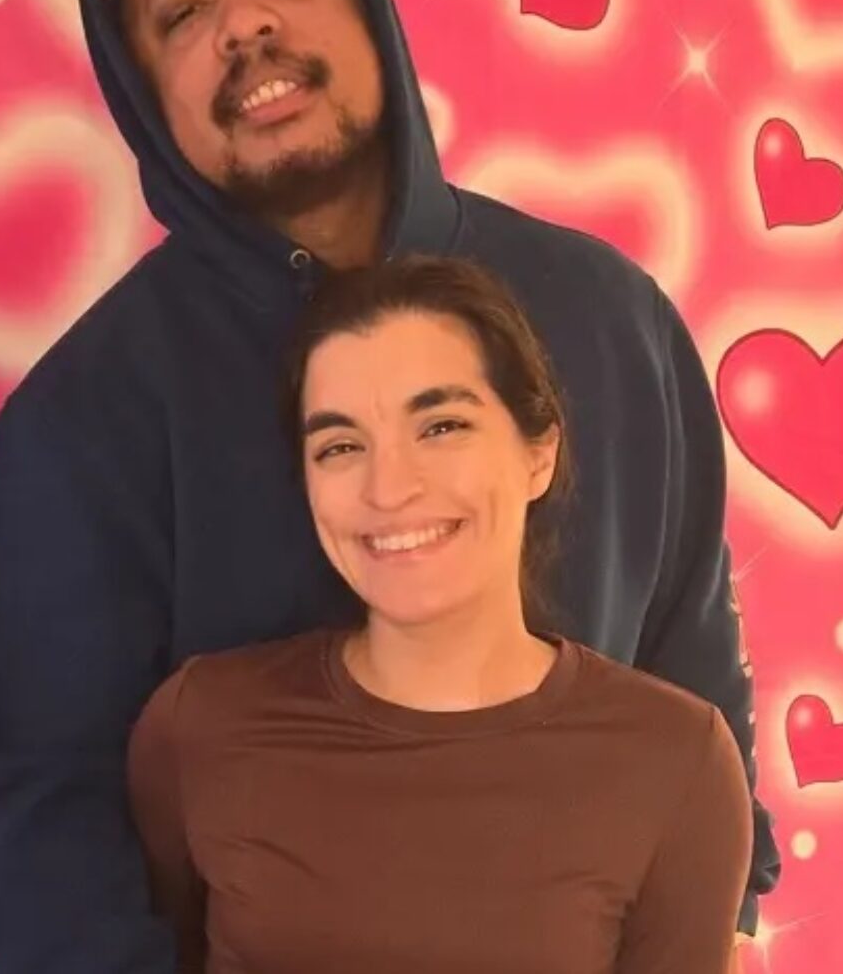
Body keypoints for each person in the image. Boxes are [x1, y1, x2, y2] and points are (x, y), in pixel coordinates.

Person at [0, 0, 780, 969]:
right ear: (144, 93)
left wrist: (722, 913)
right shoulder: (79, 423)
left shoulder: (614, 322)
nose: (243, 24)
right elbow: (42, 827)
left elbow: (694, 669)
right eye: (182, 11)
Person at [126, 255, 754, 974]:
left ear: (539, 453)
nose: (389, 488)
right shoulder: (200, 726)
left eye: (442, 426)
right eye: (340, 446)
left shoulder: (676, 761)